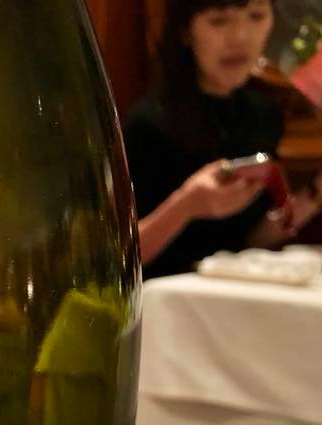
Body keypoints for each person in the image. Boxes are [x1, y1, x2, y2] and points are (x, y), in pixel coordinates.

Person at [123, 0, 322, 277]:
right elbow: (117, 260)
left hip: (226, 289)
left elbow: (248, 242)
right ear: (186, 31)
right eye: (218, 21)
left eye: (256, 16)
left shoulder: (263, 115)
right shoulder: (148, 124)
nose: (241, 37)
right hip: (159, 294)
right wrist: (186, 205)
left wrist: (314, 193)